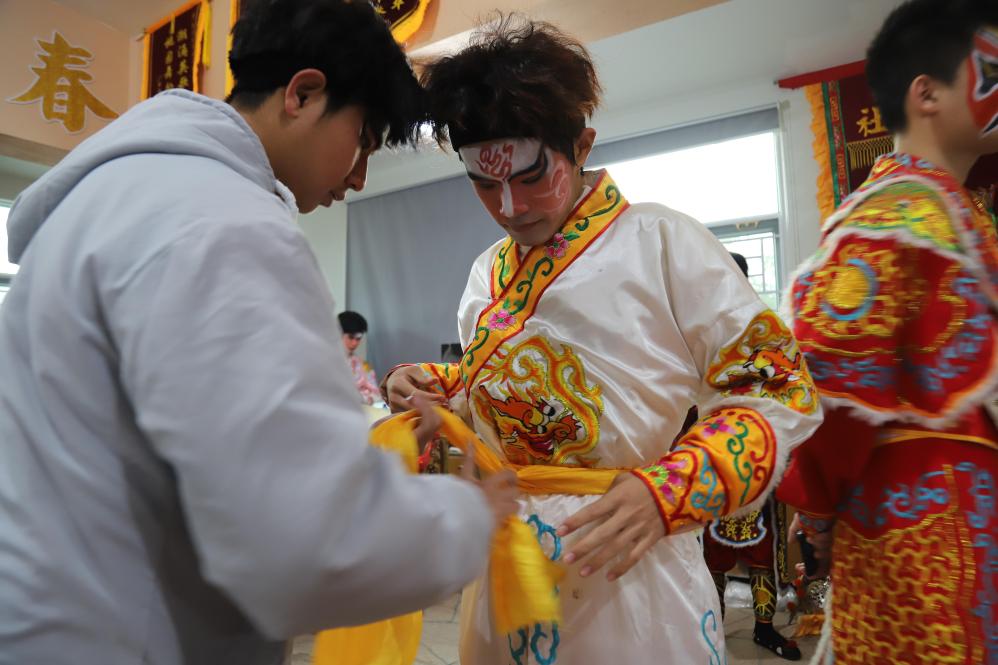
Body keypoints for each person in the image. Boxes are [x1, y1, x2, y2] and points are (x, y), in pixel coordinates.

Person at [0, 1, 518, 664]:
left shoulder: (116, 196)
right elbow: (301, 541)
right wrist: (467, 518)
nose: (359, 177)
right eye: (362, 140)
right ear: (302, 94)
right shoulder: (225, 225)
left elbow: (197, 444)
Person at [384, 17, 823, 663]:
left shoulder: (662, 242)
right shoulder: (487, 272)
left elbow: (778, 386)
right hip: (511, 560)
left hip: (628, 551)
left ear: (581, 145)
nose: (510, 206)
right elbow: (495, 386)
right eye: (484, 183)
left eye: (531, 176)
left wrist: (670, 490)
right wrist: (430, 384)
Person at [777, 2, 998, 663]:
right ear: (926, 93)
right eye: (990, 73)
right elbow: (832, 375)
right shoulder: (892, 214)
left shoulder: (952, 213)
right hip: (921, 530)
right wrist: (816, 507)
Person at [700, 253, 802, 661]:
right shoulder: (700, 330)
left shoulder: (767, 330)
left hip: (759, 452)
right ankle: (712, 629)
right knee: (712, 554)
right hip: (713, 457)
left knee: (763, 552)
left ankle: (763, 628)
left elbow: (787, 387)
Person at [338, 310, 381, 405]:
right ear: (338, 334)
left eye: (358, 338)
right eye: (350, 337)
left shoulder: (363, 365)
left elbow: (376, 395)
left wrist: (366, 398)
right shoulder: (326, 362)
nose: (354, 343)